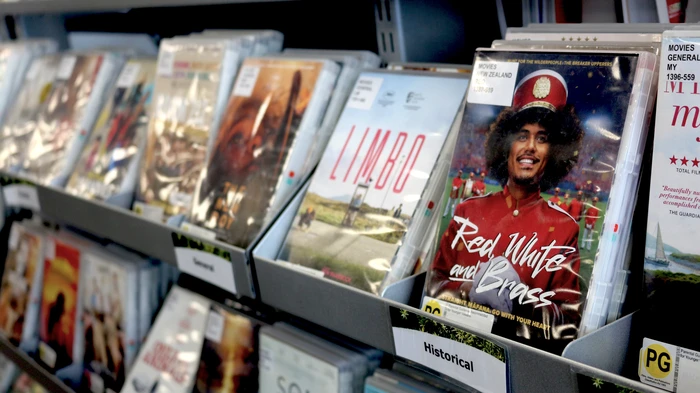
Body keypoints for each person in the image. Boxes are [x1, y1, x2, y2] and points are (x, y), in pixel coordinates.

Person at [428, 69, 584, 345]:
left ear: (555, 152)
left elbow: (568, 321)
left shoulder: (564, 227)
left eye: (543, 138)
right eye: (522, 136)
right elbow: (431, 285)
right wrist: (467, 290)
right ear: (506, 145)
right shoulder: (467, 211)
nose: (531, 147)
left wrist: (518, 301)